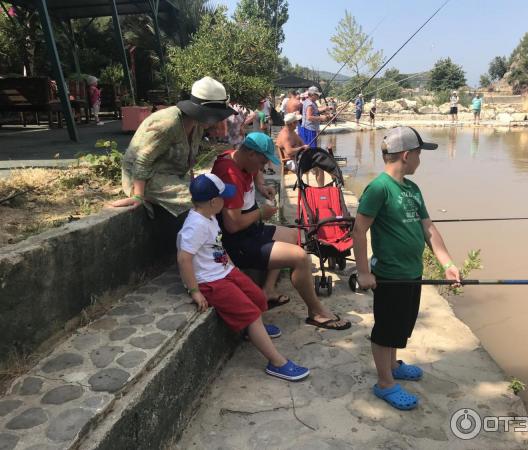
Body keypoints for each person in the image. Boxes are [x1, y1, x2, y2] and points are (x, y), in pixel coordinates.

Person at [352, 126, 460, 411]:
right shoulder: (379, 188)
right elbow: (359, 231)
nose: (420, 161)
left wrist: (447, 263)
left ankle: (393, 364)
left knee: (402, 323)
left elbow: (429, 228)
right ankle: (385, 383)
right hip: (389, 274)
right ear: (407, 155)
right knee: (386, 329)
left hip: (412, 272)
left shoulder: (413, 189)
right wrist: (364, 272)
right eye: (419, 154)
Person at [177, 173, 310, 381]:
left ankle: (254, 331)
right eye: (223, 197)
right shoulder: (195, 226)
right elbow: (184, 259)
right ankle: (277, 362)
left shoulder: (209, 216)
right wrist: (195, 291)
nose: (227, 201)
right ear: (213, 202)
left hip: (224, 271)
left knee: (257, 296)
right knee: (251, 313)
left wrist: (232, 267)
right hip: (210, 281)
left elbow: (217, 246)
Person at [212, 132, 350, 330]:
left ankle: (267, 291)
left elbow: (254, 171)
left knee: (293, 236)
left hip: (252, 230)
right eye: (262, 161)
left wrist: (260, 185)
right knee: (300, 257)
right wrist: (261, 213)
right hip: (238, 242)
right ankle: (316, 312)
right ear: (251, 154)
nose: (264, 167)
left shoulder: (237, 157)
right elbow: (232, 225)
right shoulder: (229, 175)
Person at [113, 76, 237, 217]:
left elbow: (188, 160)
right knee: (202, 200)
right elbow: (143, 160)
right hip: (145, 177)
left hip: (172, 174)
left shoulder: (197, 125)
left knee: (211, 192)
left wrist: (193, 183)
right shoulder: (168, 123)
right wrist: (137, 196)